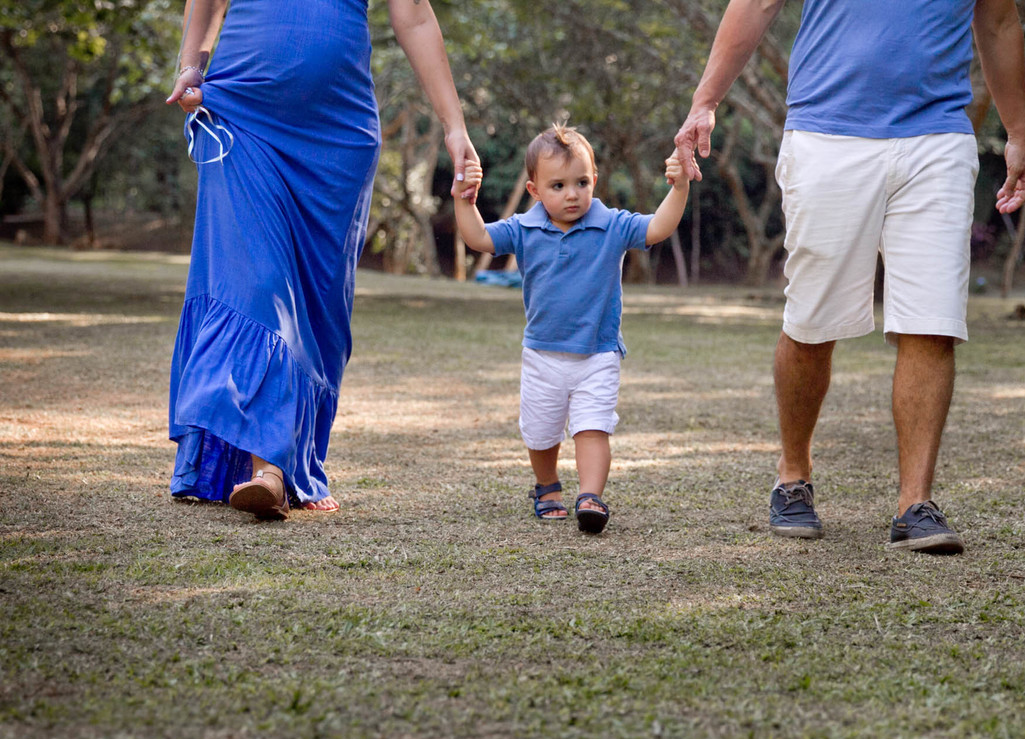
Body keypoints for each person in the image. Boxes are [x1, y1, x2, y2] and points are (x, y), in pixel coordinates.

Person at [673, 0, 1025, 554]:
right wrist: (706, 100)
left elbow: (1000, 21)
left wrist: (1018, 130)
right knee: (812, 324)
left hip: (936, 139)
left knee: (932, 321)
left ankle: (915, 504)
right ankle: (793, 475)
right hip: (827, 135)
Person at [164, 0, 477, 520]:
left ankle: (284, 462)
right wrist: (190, 67)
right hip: (242, 115)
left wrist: (454, 125)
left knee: (316, 305)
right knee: (260, 286)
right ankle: (268, 470)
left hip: (337, 138)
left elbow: (415, 16)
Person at [454, 125, 689, 533]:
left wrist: (680, 187)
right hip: (543, 354)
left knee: (593, 426)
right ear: (535, 190)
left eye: (581, 182)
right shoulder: (523, 230)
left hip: (598, 353)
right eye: (558, 185)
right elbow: (477, 238)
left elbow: (658, 227)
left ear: (594, 181)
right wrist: (464, 200)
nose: (572, 194)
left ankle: (591, 497)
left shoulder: (612, 225)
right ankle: (547, 488)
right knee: (542, 431)